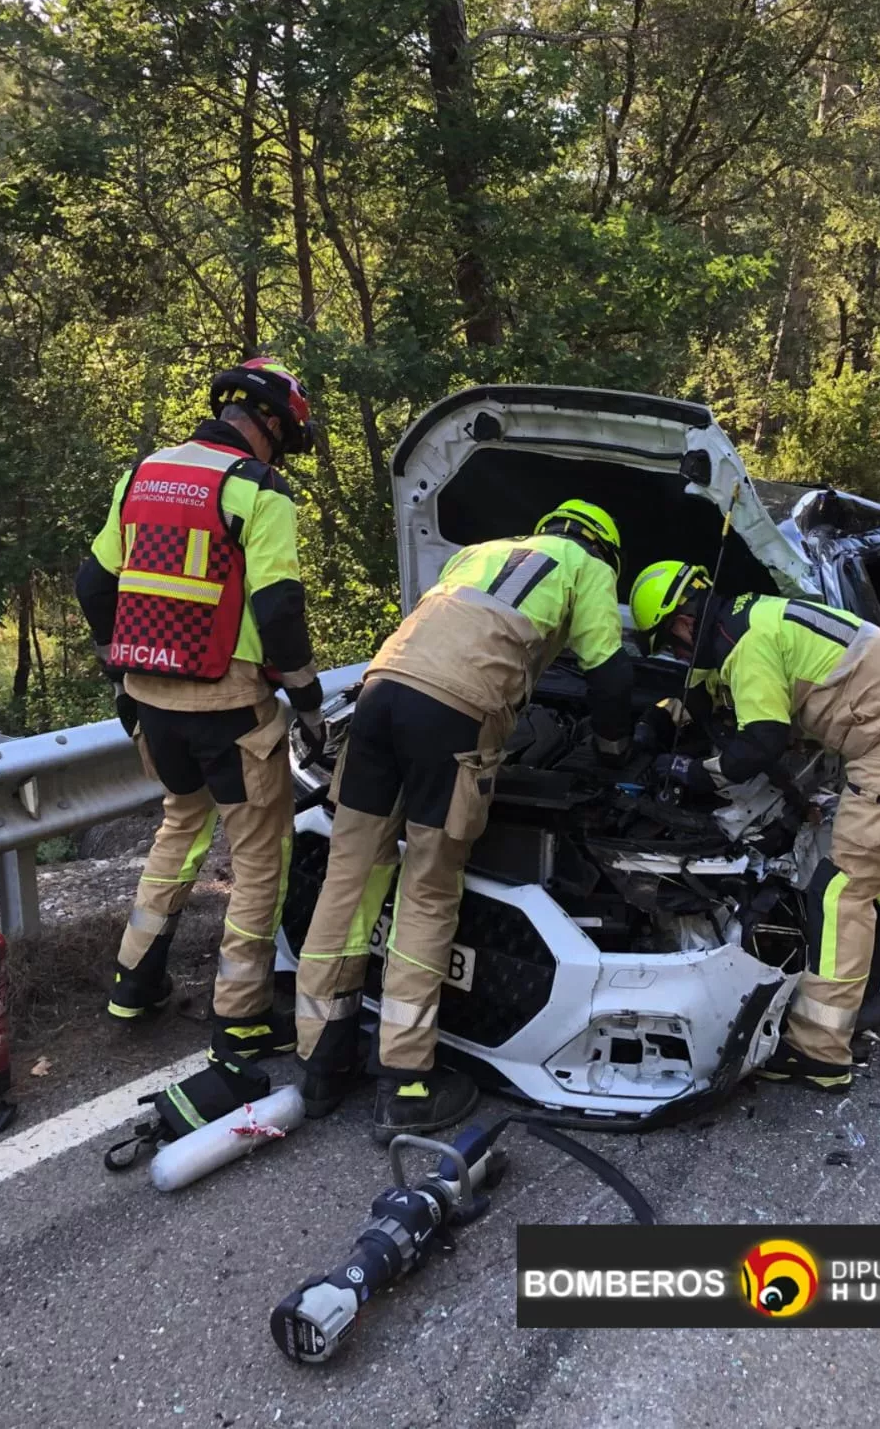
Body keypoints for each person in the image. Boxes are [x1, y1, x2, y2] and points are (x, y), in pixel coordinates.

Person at [295, 499, 633, 1141]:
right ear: (603, 546)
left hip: (380, 692)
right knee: (427, 889)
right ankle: (406, 1084)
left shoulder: (482, 550)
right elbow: (610, 678)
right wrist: (615, 750)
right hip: (454, 714)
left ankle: (318, 1063)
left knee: (350, 874)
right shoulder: (586, 566)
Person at [628, 561, 880, 1091]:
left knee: (840, 889)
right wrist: (655, 720)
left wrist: (692, 771)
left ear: (683, 620)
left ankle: (820, 1051)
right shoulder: (747, 621)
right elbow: (702, 692)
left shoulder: (748, 645)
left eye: (671, 644)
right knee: (879, 861)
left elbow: (761, 743)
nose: (678, 655)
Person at [77, 358, 324, 1120]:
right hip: (231, 707)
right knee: (258, 861)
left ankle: (133, 983)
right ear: (274, 425)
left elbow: (95, 584)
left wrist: (122, 676)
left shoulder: (144, 474)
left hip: (153, 703)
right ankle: (242, 1016)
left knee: (180, 826)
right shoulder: (257, 489)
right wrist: (309, 697)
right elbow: (279, 610)